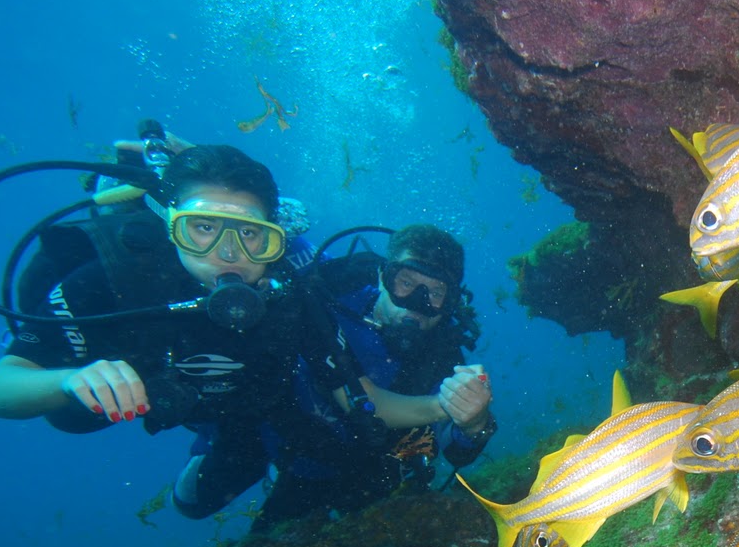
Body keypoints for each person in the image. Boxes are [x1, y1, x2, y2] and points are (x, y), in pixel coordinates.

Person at [0, 144, 495, 524]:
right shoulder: (113, 282)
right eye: (202, 228)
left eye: (251, 234)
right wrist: (67, 380)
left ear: (273, 238)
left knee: (218, 492)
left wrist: (453, 411)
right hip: (198, 407)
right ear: (170, 223)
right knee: (191, 502)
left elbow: (360, 399)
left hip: (254, 411)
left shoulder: (291, 299)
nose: (228, 253)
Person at [170, 222, 498, 523]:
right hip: (266, 429)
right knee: (191, 503)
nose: (416, 303)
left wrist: (474, 423)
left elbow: (456, 450)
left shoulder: (442, 357)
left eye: (435, 293)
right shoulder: (326, 296)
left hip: (346, 464)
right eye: (406, 283)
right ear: (383, 276)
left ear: (451, 301)